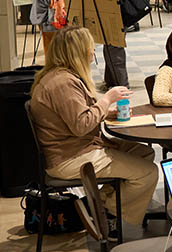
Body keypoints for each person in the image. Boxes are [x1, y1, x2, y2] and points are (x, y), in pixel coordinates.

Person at [29, 26, 158, 227]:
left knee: (143, 153)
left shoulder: (61, 77)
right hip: (70, 157)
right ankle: (109, 215)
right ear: (77, 52)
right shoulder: (62, 83)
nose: (93, 52)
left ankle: (101, 205)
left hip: (77, 148)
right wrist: (107, 100)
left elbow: (78, 116)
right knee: (148, 172)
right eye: (90, 47)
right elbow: (81, 126)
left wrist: (106, 112)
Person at [91, 0, 130, 89]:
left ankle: (122, 86)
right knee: (110, 51)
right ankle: (111, 82)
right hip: (114, 18)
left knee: (115, 53)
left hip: (115, 19)